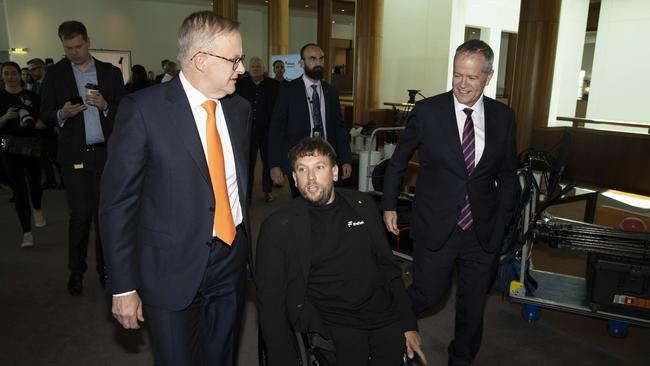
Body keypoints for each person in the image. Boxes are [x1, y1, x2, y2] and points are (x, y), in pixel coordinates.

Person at [99, 11, 250, 366]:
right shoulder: (143, 110)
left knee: (223, 358)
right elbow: (117, 203)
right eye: (235, 60)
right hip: (169, 267)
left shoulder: (239, 110)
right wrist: (123, 285)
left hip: (230, 260)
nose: (241, 69)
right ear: (201, 60)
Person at [381, 40, 519, 366]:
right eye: (457, 75)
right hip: (437, 223)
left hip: (482, 229)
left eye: (471, 77)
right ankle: (386, 330)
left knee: (472, 308)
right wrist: (388, 205)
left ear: (488, 76)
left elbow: (508, 172)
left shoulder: (504, 117)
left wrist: (504, 217)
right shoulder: (428, 112)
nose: (462, 83)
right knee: (427, 294)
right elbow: (399, 160)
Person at [257, 137, 426, 366]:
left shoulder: (362, 205)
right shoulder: (278, 227)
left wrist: (408, 323)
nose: (311, 179)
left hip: (383, 313)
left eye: (319, 167)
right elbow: (271, 306)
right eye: (302, 170)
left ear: (335, 173)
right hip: (334, 321)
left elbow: (389, 269)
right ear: (294, 179)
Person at [40, 20, 126, 295]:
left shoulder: (110, 73)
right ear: (62, 45)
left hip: (105, 155)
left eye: (78, 46)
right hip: (73, 156)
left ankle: (105, 270)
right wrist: (61, 115)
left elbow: (125, 113)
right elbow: (45, 113)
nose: (74, 52)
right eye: (68, 48)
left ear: (88, 42)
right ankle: (76, 271)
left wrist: (106, 106)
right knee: (80, 215)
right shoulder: (54, 74)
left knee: (105, 216)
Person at [268, 43, 352, 197]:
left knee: (326, 200)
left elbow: (339, 127)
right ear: (302, 63)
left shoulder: (331, 92)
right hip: (299, 159)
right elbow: (276, 128)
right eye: (312, 59)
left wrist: (346, 158)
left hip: (326, 157)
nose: (318, 63)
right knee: (302, 204)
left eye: (321, 59)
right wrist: (274, 164)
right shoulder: (288, 90)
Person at [0, 61, 46, 247]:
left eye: (13, 73)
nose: (10, 76)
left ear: (20, 75)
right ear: (2, 76)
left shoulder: (32, 96)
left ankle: (37, 207)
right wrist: (5, 117)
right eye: (6, 73)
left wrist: (32, 123)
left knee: (35, 184)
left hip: (31, 147)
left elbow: (44, 122)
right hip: (7, 148)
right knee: (19, 189)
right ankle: (27, 232)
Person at [235, 56, 279, 202]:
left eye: (258, 67)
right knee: (248, 163)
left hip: (267, 131)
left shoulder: (274, 85)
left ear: (264, 69)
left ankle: (267, 190)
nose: (255, 69)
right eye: (253, 66)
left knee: (268, 161)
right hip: (247, 131)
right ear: (249, 68)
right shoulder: (240, 84)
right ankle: (247, 194)